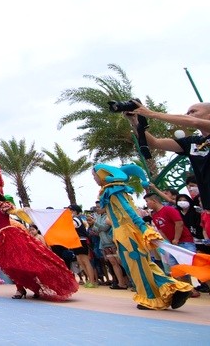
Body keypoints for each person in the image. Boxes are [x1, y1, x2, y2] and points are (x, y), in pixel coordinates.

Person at [93, 163, 193, 310]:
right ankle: (173, 288)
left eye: (95, 175)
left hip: (128, 235)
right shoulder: (113, 190)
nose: (94, 178)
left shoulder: (113, 191)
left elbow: (129, 211)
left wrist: (143, 227)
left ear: (102, 174)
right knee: (144, 265)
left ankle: (152, 298)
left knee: (138, 267)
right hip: (124, 234)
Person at [0, 165, 78, 300]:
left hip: (11, 237)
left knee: (24, 262)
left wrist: (23, 210)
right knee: (10, 265)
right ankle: (21, 288)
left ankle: (31, 287)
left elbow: (14, 212)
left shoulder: (4, 205)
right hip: (0, 239)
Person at [126, 101, 210, 212]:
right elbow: (155, 143)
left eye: (193, 111)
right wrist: (134, 121)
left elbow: (193, 122)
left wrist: (151, 113)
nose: (187, 115)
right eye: (187, 112)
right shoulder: (193, 142)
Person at [68, 205, 98, 288]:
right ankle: (89, 279)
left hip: (82, 241)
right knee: (80, 261)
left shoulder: (76, 219)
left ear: (74, 211)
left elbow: (71, 226)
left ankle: (92, 281)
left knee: (85, 261)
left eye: (70, 210)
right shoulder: (73, 219)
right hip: (76, 242)